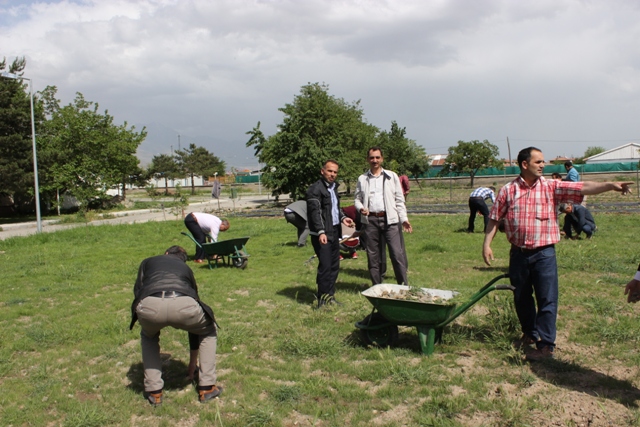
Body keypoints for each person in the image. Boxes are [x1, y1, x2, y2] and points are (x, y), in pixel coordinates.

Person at [483, 146, 632, 361]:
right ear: (525, 164)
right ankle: (530, 334)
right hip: (518, 254)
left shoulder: (551, 187)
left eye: (543, 161)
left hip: (544, 254)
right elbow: (495, 218)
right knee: (521, 297)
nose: (543, 165)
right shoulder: (508, 190)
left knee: (547, 299)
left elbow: (583, 187)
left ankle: (546, 345)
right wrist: (486, 244)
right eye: (538, 162)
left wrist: (610, 185)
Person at [129, 246, 222, 405]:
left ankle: (154, 391)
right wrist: (193, 361)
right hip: (183, 302)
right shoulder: (186, 268)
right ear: (182, 259)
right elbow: (194, 299)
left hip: (149, 303)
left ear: (166, 253)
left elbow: (138, 290)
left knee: (148, 336)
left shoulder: (148, 261)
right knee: (206, 330)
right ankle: (207, 387)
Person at [355, 147, 412, 286]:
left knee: (397, 254)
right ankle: (377, 287)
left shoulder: (391, 176)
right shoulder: (362, 179)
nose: (375, 160)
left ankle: (403, 287)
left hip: (390, 220)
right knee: (373, 256)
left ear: (382, 159)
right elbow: (357, 199)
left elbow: (399, 200)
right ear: (367, 159)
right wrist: (361, 208)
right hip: (371, 221)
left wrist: (404, 219)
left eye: (377, 157)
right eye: (372, 157)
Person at [306, 160, 354, 307]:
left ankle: (330, 296)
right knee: (325, 266)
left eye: (335, 172)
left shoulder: (333, 188)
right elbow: (316, 213)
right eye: (330, 171)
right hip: (322, 233)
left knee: (334, 265)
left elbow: (334, 209)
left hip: (334, 230)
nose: (332, 174)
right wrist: (321, 232)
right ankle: (322, 299)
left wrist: (344, 218)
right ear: (322, 171)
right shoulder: (315, 189)